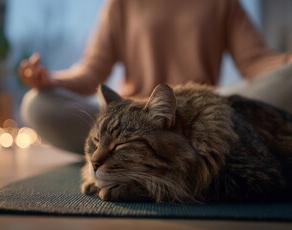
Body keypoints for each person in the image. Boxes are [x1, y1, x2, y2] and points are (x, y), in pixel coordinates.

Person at [19, 0, 292, 154]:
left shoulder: (223, 3)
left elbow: (257, 61)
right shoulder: (121, 5)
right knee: (36, 103)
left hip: (197, 123)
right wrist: (52, 81)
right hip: (129, 123)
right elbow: (92, 72)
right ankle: (119, 151)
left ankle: (135, 155)